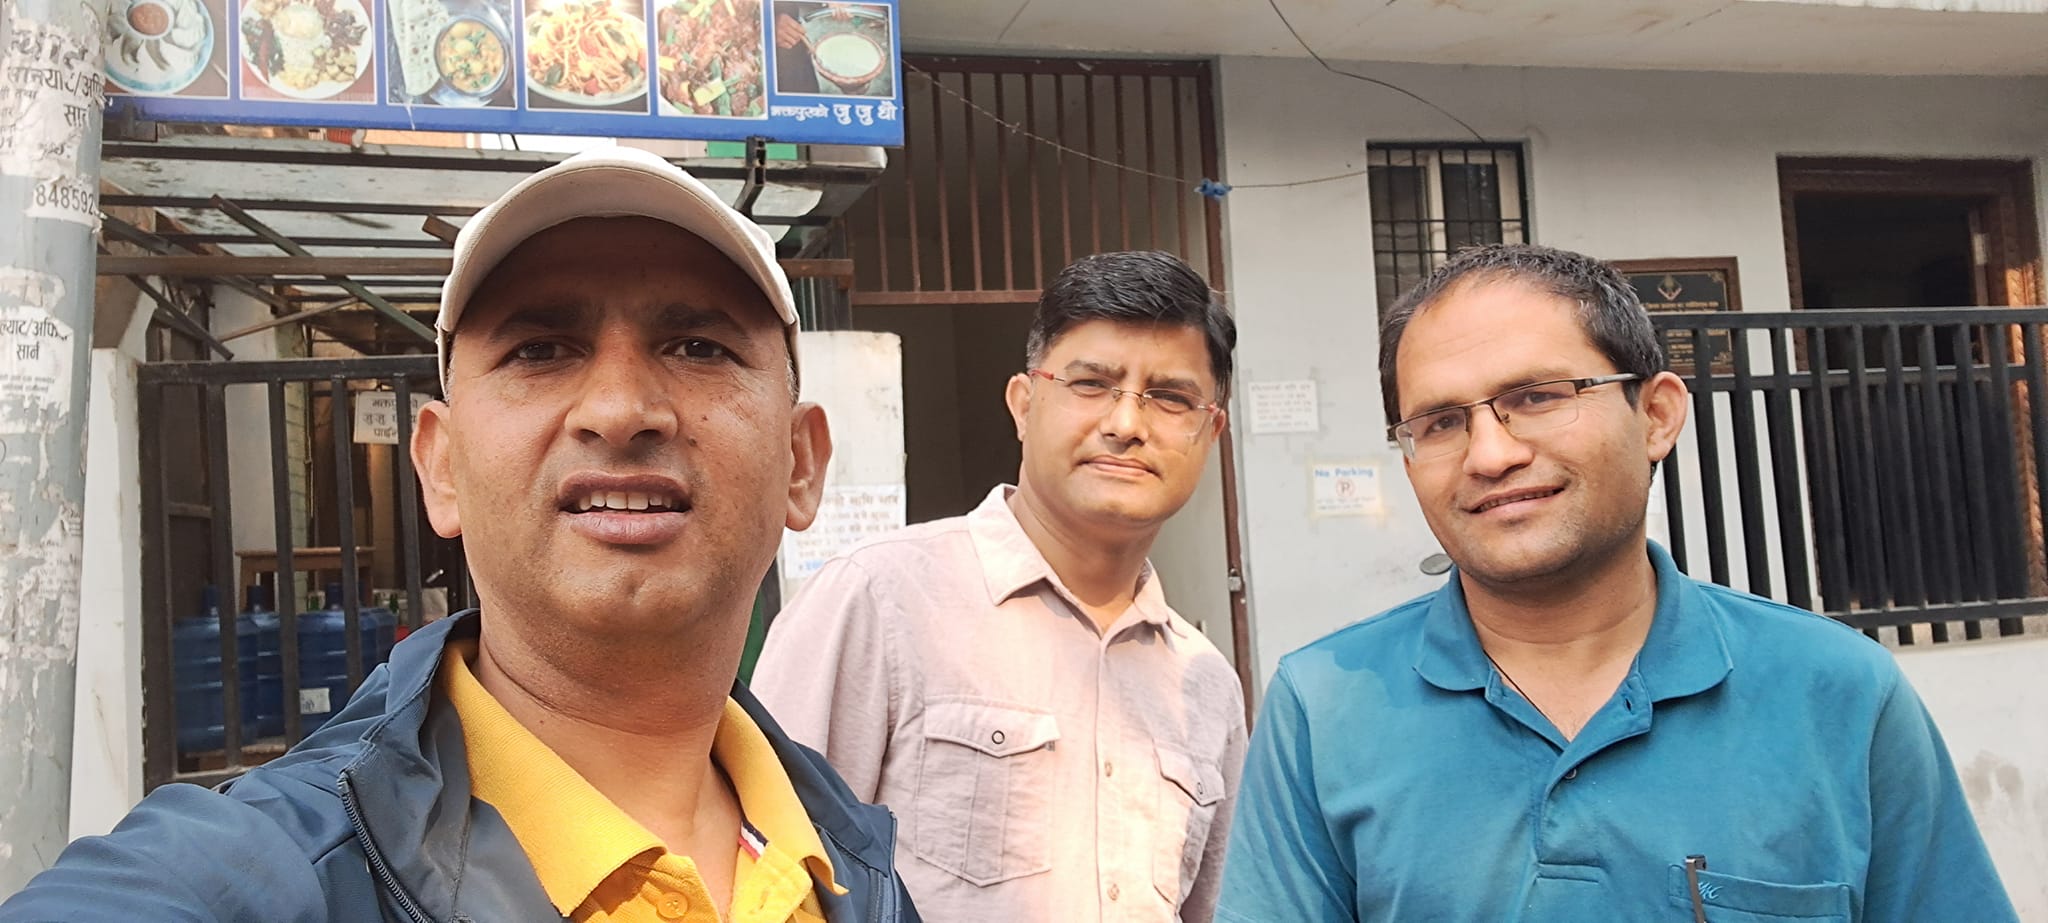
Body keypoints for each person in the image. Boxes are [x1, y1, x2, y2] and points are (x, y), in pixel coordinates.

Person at [2, 147, 918, 923]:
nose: (618, 408)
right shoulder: (263, 872)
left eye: (699, 347)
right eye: (540, 349)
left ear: (800, 464)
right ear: (441, 467)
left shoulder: (855, 868)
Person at [1215, 243, 2019, 923]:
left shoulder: (1838, 693)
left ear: (1657, 415)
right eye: (1442, 422)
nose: (1490, 454)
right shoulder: (1325, 707)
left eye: (1537, 397)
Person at [753, 250, 1247, 923]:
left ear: (1210, 431)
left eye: (1170, 398)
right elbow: (767, 869)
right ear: (1023, 403)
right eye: (1091, 384)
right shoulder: (878, 601)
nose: (1126, 425)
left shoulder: (1207, 686)